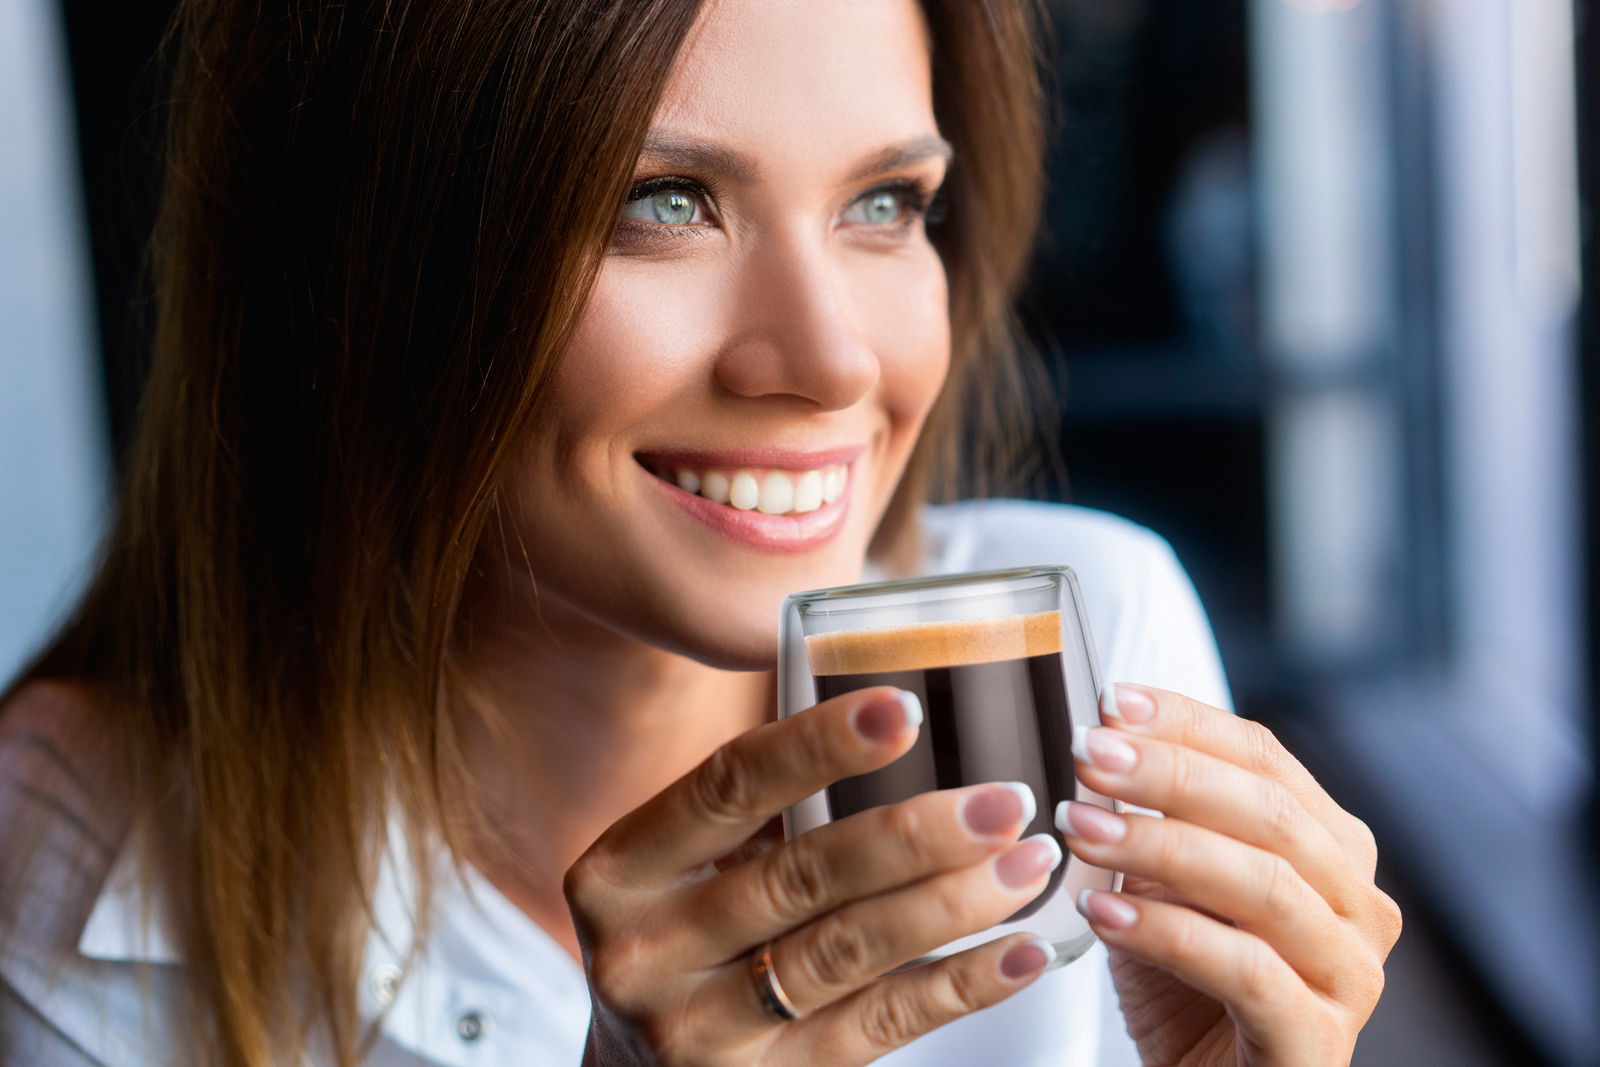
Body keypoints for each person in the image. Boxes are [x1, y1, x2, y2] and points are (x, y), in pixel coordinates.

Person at [0, 0, 1402, 1063]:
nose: (833, 361)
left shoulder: (1093, 633)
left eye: (885, 203)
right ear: (358, 249)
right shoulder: (76, 854)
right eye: (662, 202)